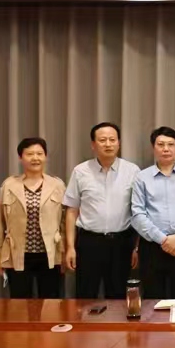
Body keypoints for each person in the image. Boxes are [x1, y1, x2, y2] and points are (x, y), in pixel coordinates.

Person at [63, 122, 141, 300]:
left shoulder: (132, 171)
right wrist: (70, 247)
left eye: (112, 140)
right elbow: (71, 211)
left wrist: (136, 247)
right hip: (89, 242)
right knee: (85, 295)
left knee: (118, 297)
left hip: (121, 243)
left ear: (119, 143)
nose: (108, 144)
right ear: (93, 144)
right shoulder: (80, 171)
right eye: (102, 140)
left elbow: (139, 212)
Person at [0, 137, 66, 299]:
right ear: (20, 157)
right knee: (20, 303)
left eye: (39, 154)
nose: (35, 158)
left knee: (51, 302)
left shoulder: (57, 185)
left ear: (46, 156)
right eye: (29, 154)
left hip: (50, 254)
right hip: (18, 254)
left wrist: (66, 251)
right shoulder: (9, 185)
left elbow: (65, 222)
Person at [131, 126, 175, 299]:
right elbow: (137, 213)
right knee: (153, 300)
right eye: (161, 144)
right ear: (153, 147)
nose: (166, 149)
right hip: (152, 246)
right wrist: (163, 240)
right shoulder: (142, 177)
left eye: (170, 144)